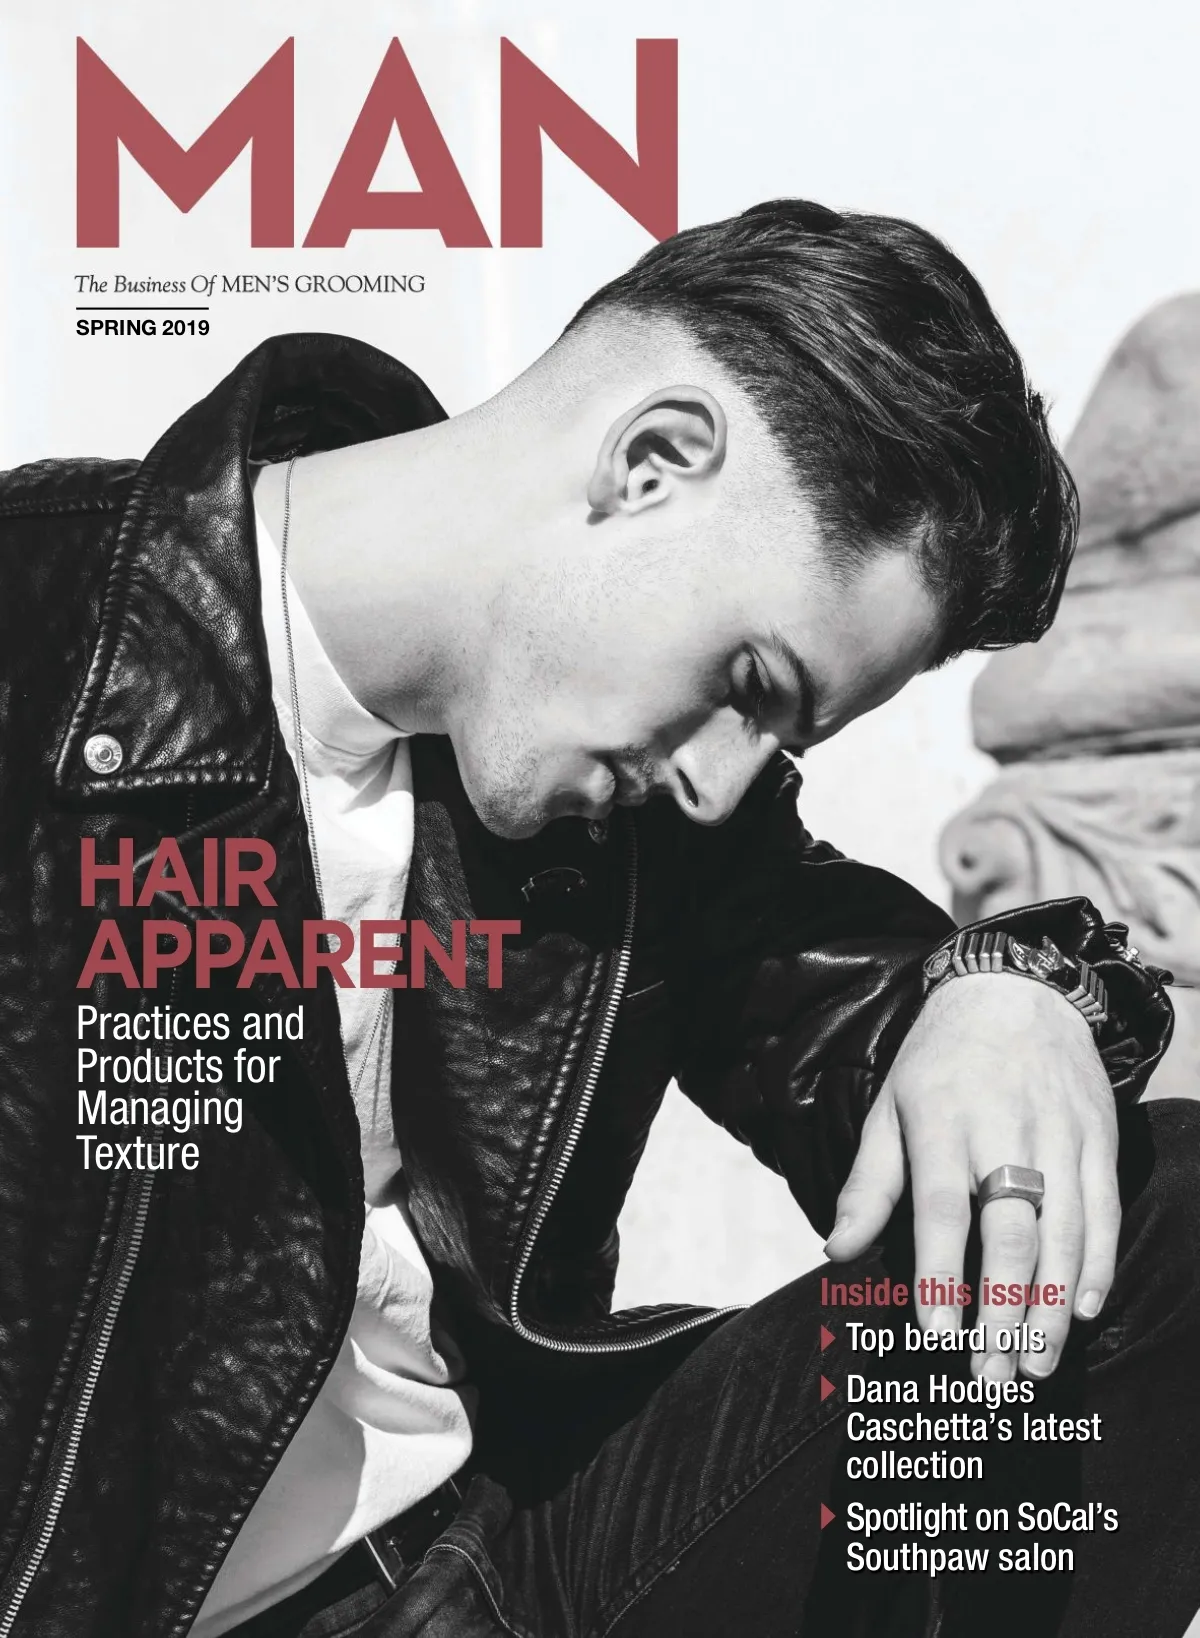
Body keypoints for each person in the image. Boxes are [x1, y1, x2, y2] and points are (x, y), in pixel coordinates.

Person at [0, 201, 1186, 1638]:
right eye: (752, 684)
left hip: (498, 1563)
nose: (722, 779)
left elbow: (855, 1010)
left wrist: (1011, 990)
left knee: (1169, 1210)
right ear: (650, 463)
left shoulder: (634, 814)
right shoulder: (35, 635)